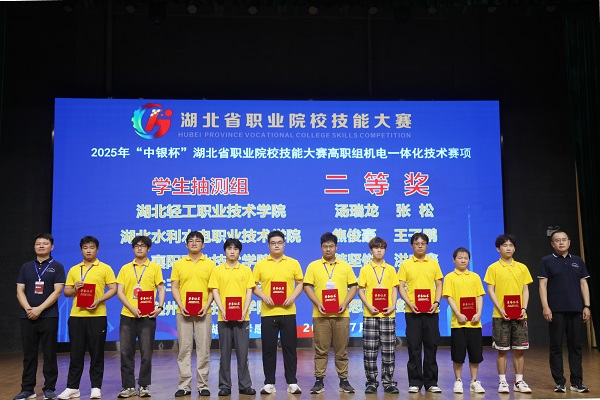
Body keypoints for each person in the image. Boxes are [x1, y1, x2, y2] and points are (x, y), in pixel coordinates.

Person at [57, 236, 117, 400]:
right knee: (76, 353)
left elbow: (113, 289)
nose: (88, 250)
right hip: (76, 316)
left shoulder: (105, 268)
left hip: (97, 316)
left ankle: (96, 387)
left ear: (97, 249)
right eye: (85, 247)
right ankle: (72, 387)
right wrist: (75, 289)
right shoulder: (74, 269)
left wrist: (99, 300)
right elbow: (66, 292)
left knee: (96, 353)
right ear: (81, 250)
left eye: (91, 247)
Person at [303, 232, 358, 394]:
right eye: (325, 246)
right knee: (321, 350)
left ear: (336, 247)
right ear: (321, 248)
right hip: (321, 315)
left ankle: (344, 380)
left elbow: (353, 286)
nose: (328, 249)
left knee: (342, 350)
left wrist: (345, 303)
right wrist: (318, 303)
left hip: (342, 315)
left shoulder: (345, 266)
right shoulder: (313, 266)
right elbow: (307, 286)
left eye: (331, 246)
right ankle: (319, 381)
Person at [538, 229, 591, 393]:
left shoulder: (577, 261)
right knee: (556, 346)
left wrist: (587, 306)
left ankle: (577, 382)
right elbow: (542, 285)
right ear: (552, 244)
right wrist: (546, 306)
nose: (561, 242)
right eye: (557, 240)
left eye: (564, 239)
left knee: (575, 346)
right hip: (556, 310)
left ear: (569, 242)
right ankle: (560, 382)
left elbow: (583, 284)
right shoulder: (547, 261)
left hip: (576, 309)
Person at [14, 233, 65, 400]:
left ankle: (49, 388)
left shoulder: (57, 266)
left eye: (45, 243)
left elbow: (57, 292)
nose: (41, 246)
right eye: (38, 243)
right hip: (27, 316)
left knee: (49, 353)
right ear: (34, 246)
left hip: (49, 316)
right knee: (29, 355)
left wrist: (40, 309)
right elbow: (20, 291)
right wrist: (29, 309)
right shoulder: (26, 267)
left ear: (52, 247)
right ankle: (27, 389)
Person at [252, 230, 304, 395]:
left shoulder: (293, 263)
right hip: (268, 312)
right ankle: (269, 383)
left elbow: (301, 283)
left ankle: (292, 382)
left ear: (284, 244)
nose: (276, 246)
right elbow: (253, 285)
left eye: (279, 243)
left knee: (290, 348)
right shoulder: (261, 264)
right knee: (268, 349)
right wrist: (264, 296)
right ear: (268, 245)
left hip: (288, 311)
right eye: (273, 243)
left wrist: (292, 297)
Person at [116, 235, 166, 398]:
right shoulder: (125, 268)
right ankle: (128, 386)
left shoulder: (154, 267)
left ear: (148, 249)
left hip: (147, 316)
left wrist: (159, 307)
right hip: (127, 315)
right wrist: (131, 308)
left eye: (143, 246)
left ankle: (144, 385)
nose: (139, 248)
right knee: (126, 352)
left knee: (146, 353)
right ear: (133, 248)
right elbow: (120, 292)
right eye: (136, 245)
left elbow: (161, 289)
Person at [484, 233, 533, 394]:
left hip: (520, 315)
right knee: (502, 350)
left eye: (511, 245)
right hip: (501, 316)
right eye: (505, 245)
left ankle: (519, 381)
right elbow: (491, 290)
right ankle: (503, 381)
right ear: (498, 249)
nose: (508, 248)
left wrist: (524, 308)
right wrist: (500, 308)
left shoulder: (522, 267)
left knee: (519, 350)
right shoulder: (493, 268)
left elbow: (525, 289)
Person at [209, 238, 256, 396]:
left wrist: (244, 310)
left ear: (239, 252)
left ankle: (245, 385)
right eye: (229, 248)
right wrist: (222, 310)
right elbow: (215, 291)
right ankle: (224, 385)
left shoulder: (246, 270)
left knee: (243, 353)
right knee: (224, 353)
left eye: (235, 249)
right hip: (224, 318)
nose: (232, 251)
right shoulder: (217, 270)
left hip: (243, 317)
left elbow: (249, 292)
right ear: (225, 251)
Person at [397, 232, 443, 393]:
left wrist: (436, 302)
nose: (420, 246)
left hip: (431, 311)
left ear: (427, 245)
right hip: (412, 312)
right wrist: (409, 303)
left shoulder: (434, 263)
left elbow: (439, 284)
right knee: (414, 346)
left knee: (431, 346)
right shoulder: (405, 264)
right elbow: (401, 286)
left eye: (423, 243)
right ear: (412, 246)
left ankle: (431, 382)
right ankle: (415, 382)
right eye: (417, 243)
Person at [171, 231, 215, 397]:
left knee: (204, 349)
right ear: (186, 245)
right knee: (184, 349)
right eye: (191, 241)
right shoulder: (179, 264)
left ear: (203, 245)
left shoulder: (210, 264)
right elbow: (175, 287)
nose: (194, 243)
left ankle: (203, 385)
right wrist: (181, 305)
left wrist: (206, 305)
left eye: (197, 241)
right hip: (183, 312)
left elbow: (213, 289)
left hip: (204, 312)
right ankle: (184, 386)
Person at [357, 237, 399, 394]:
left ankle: (388, 382)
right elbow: (361, 289)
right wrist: (368, 306)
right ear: (371, 250)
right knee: (370, 351)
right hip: (370, 314)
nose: (379, 250)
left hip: (388, 314)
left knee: (388, 351)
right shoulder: (365, 269)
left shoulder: (391, 269)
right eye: (376, 248)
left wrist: (393, 306)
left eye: (382, 248)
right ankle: (371, 382)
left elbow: (394, 289)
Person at [442, 247, 486, 394]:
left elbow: (480, 296)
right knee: (458, 354)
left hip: (475, 323)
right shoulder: (449, 277)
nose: (463, 260)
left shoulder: (475, 277)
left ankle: (474, 381)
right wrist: (458, 314)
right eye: (460, 258)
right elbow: (449, 297)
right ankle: (458, 380)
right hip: (458, 323)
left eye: (466, 258)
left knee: (475, 354)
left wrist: (479, 313)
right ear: (454, 260)